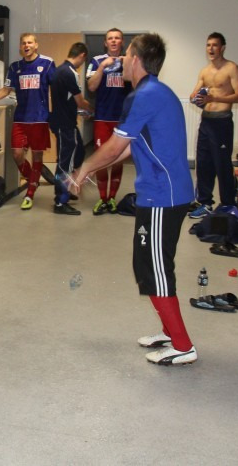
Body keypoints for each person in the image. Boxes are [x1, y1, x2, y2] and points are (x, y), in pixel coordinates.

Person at [71, 33, 197, 366]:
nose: (123, 60)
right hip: (161, 193)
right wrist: (91, 170)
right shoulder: (154, 92)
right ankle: (170, 332)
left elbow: (114, 147)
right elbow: (127, 148)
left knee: (155, 268)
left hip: (163, 196)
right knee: (148, 265)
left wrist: (84, 168)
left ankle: (183, 345)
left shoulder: (145, 95)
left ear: (137, 60)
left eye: (127, 54)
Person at [0, 33, 55, 210]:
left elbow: (56, 87)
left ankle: (30, 193)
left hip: (39, 119)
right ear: (20, 47)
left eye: (30, 42)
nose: (27, 45)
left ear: (36, 45)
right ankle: (33, 180)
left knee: (37, 155)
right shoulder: (15, 67)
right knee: (17, 154)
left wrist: (57, 113)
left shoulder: (47, 63)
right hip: (20, 118)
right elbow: (6, 89)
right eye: (23, 43)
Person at [188, 32, 238, 219]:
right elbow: (196, 93)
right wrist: (194, 97)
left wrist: (215, 98)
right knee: (203, 163)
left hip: (222, 122)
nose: (211, 49)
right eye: (208, 45)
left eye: (214, 45)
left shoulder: (231, 68)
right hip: (206, 120)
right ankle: (205, 203)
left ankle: (228, 203)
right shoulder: (204, 71)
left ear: (222, 48)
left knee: (222, 164)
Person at [86, 28, 131, 215]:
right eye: (110, 38)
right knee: (102, 158)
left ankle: (112, 198)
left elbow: (138, 84)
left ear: (122, 42)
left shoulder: (129, 61)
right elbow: (91, 86)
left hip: (122, 119)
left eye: (117, 38)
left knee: (117, 159)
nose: (113, 41)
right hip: (102, 118)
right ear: (105, 43)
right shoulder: (96, 61)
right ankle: (102, 198)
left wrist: (126, 63)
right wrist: (102, 67)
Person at [48, 42, 91, 215]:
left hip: (64, 121)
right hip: (65, 124)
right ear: (82, 55)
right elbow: (80, 101)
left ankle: (64, 188)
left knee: (79, 153)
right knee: (65, 163)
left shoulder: (60, 70)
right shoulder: (69, 72)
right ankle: (60, 201)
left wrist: (79, 111)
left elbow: (66, 101)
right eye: (83, 60)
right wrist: (92, 110)